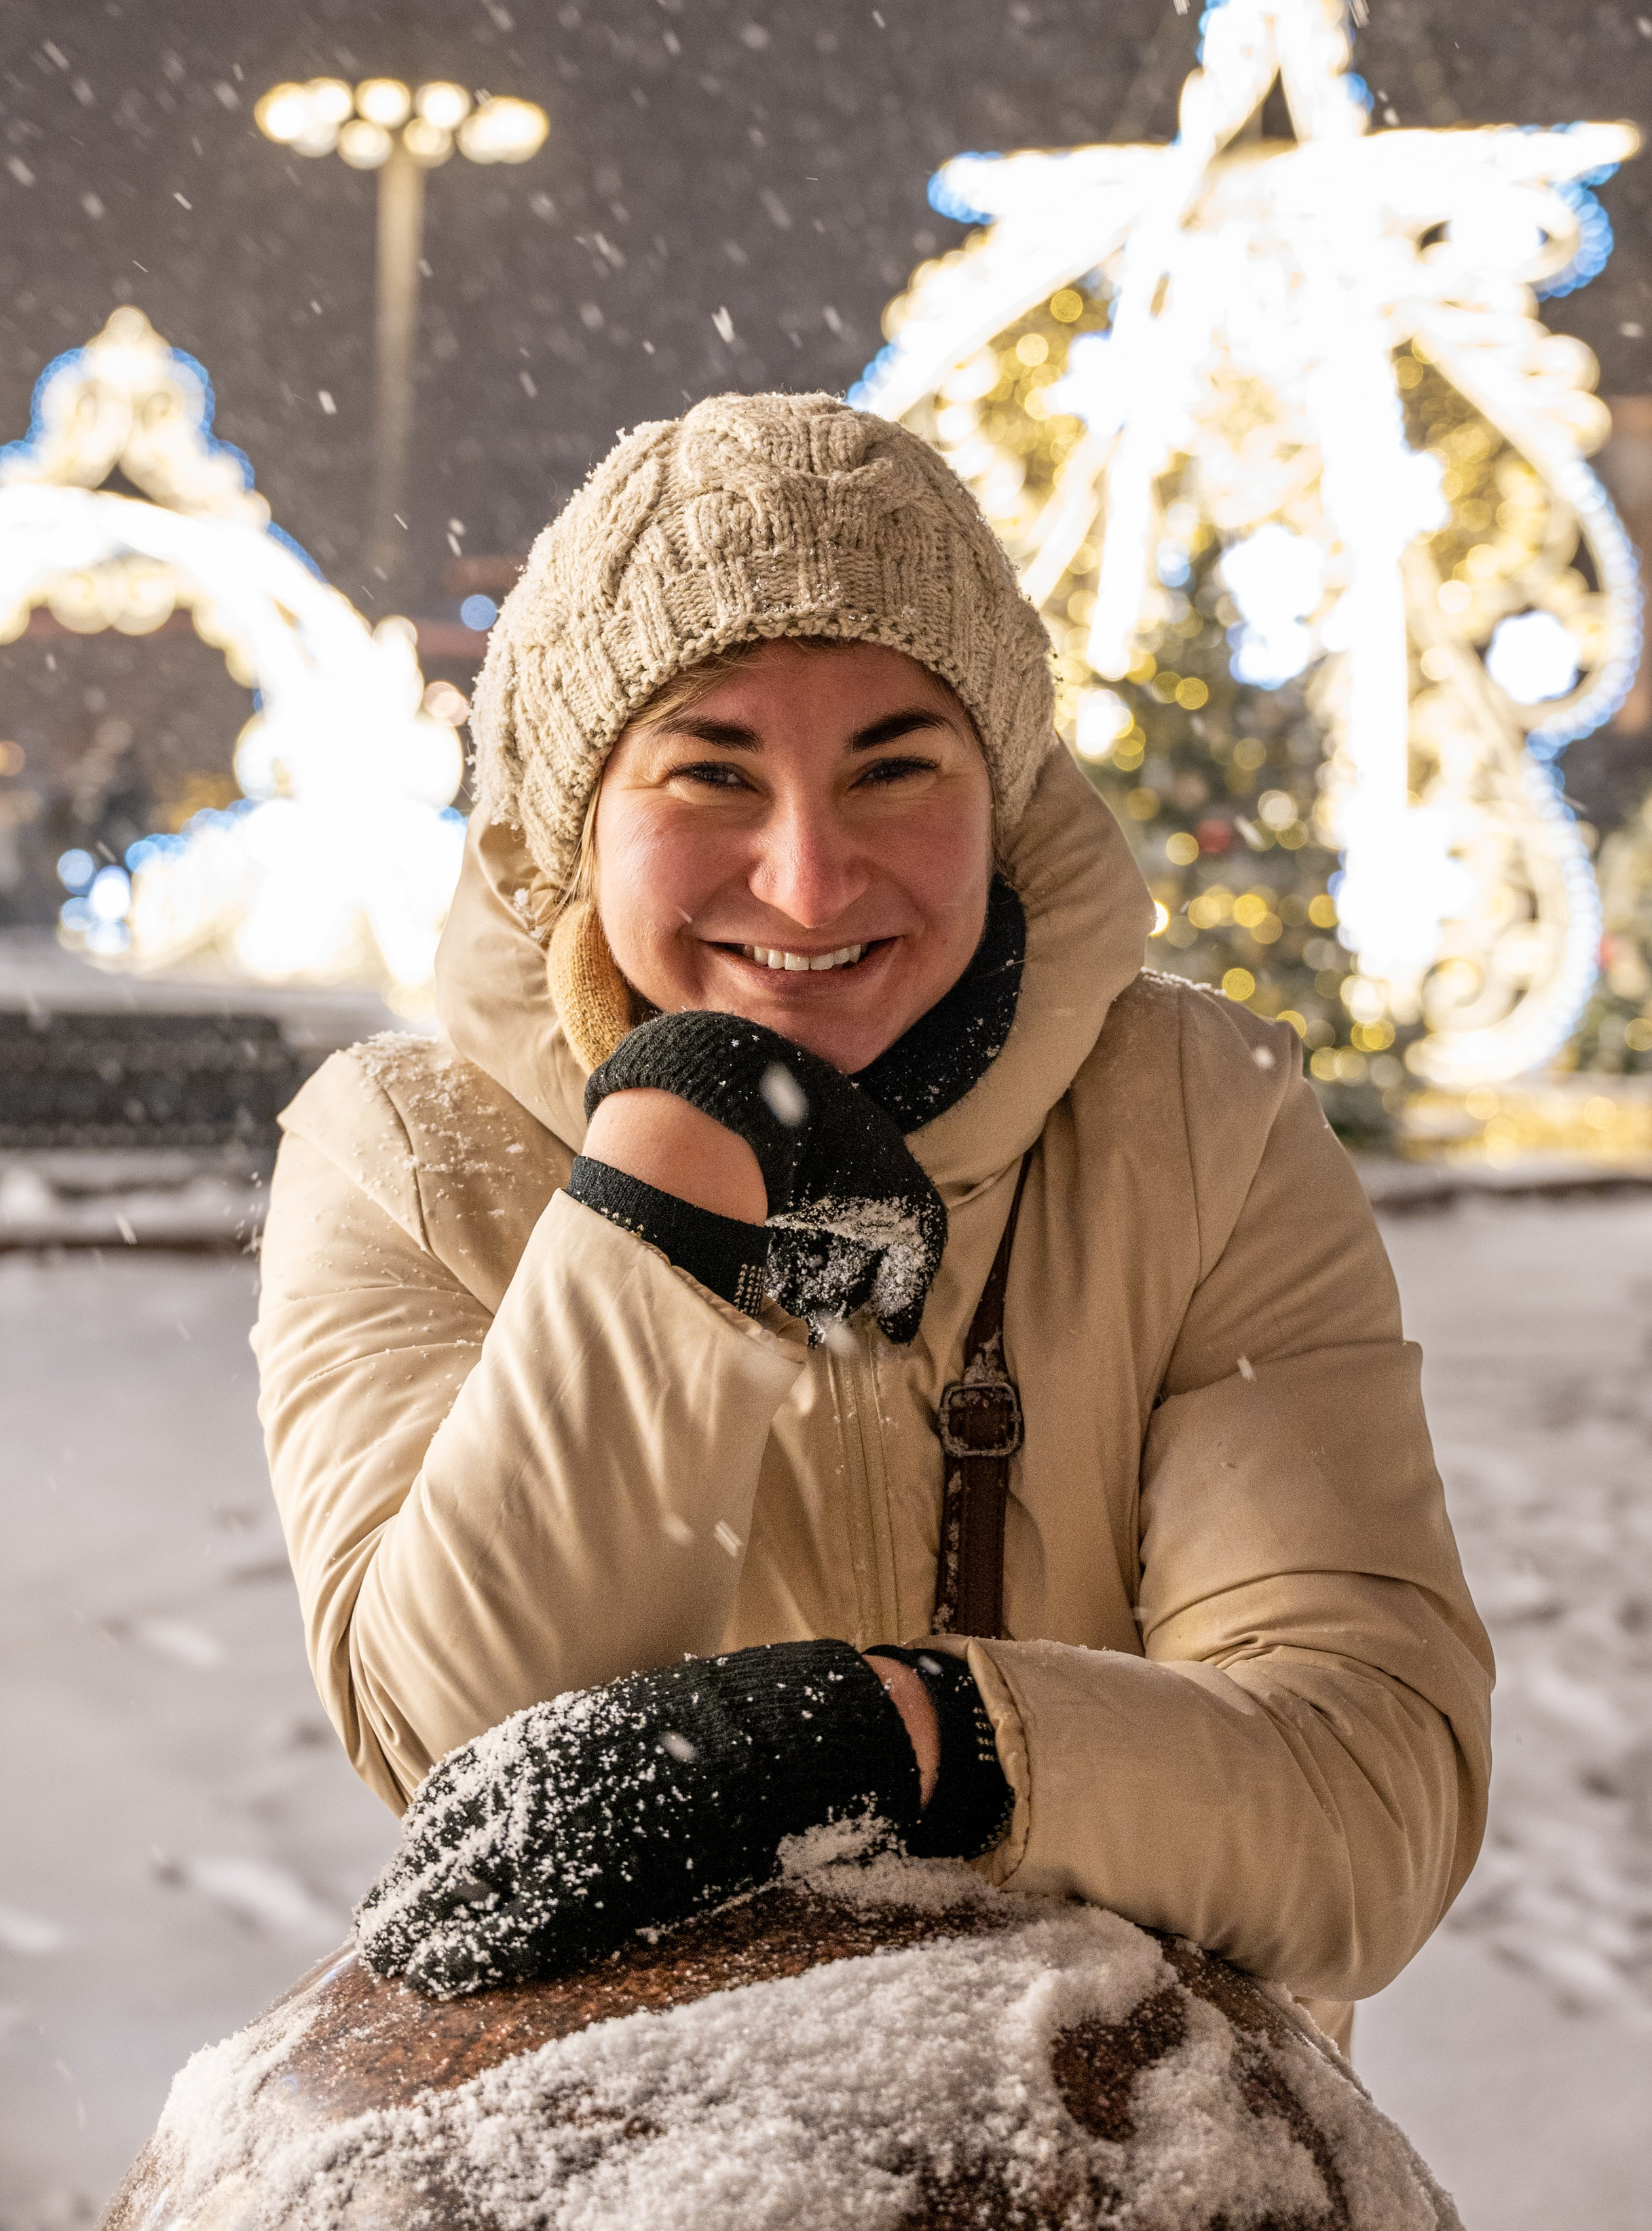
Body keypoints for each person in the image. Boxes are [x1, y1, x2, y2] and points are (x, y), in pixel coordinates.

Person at [255, 392, 1490, 2051]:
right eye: (710, 771)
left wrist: (914, 1741)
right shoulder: (408, 1156)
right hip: (643, 2153)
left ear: (999, 792)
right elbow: (467, 1754)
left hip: (1132, 2157)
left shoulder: (1195, 1118)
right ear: (573, 816)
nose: (809, 879)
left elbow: (1364, 1804)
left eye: (893, 767)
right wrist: (655, 1206)